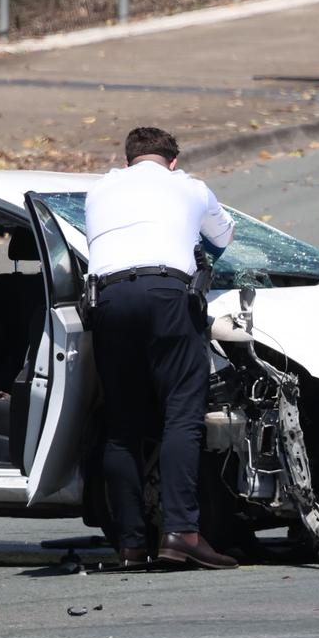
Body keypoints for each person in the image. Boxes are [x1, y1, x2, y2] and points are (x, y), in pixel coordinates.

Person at [85, 126, 237, 570]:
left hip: (108, 299)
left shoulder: (99, 190)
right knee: (182, 417)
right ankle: (181, 533)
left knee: (121, 426)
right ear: (173, 161)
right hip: (167, 296)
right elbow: (221, 240)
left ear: (129, 158)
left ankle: (131, 544)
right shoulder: (189, 186)